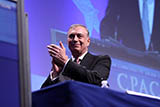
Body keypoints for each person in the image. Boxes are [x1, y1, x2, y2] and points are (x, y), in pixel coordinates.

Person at [41, 24, 111, 88]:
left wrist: (66, 63)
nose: (75, 39)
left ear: (88, 41)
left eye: (79, 36)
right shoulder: (62, 66)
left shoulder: (102, 60)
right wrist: (55, 75)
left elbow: (96, 80)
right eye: (71, 36)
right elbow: (43, 94)